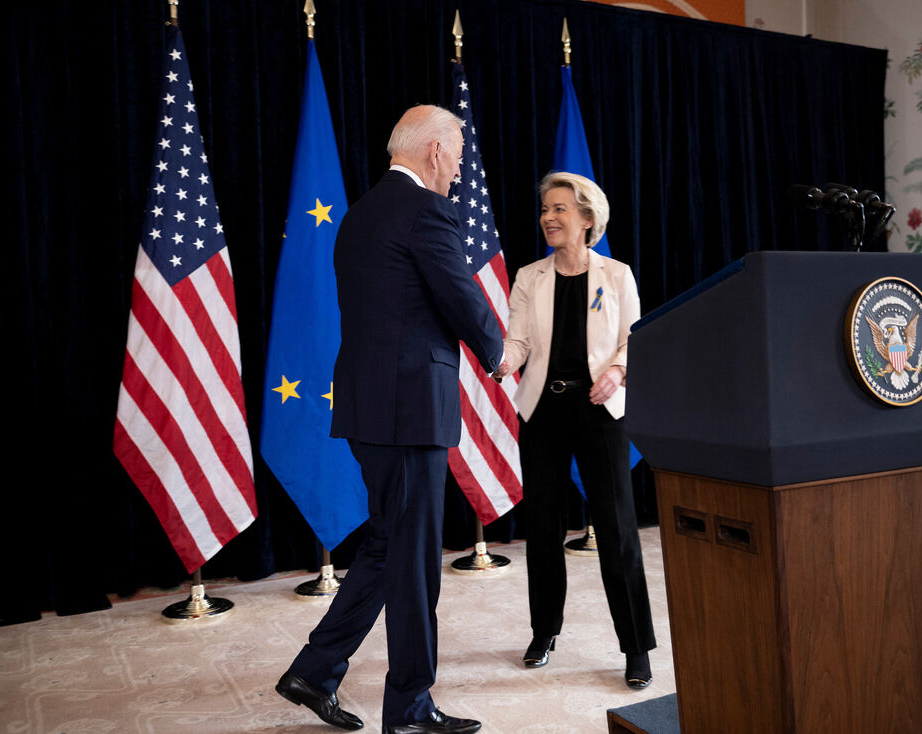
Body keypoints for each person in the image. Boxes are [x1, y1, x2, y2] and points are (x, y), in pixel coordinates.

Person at [276, 105, 503, 734]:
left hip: (368, 409)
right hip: (409, 413)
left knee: (385, 545)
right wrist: (500, 352)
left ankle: (315, 670)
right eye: (457, 151)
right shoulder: (426, 211)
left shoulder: (359, 214)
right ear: (433, 151)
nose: (460, 168)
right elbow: (459, 295)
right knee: (414, 562)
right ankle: (408, 708)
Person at [492, 172, 656, 689]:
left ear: (587, 218)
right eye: (545, 209)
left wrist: (617, 371)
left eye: (559, 209)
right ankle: (545, 633)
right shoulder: (528, 276)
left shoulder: (617, 275)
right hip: (543, 411)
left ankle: (635, 648)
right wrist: (499, 360)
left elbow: (636, 339)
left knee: (617, 531)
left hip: (599, 412)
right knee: (542, 529)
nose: (548, 218)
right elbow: (517, 344)